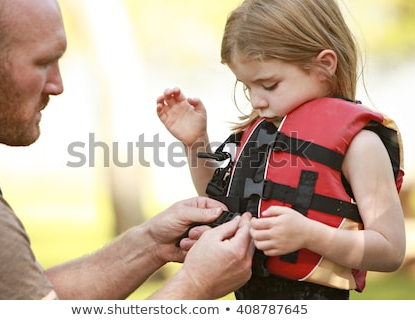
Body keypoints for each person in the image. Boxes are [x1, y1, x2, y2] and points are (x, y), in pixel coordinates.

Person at [0, 0, 255, 300]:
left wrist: (151, 243)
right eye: (41, 63)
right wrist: (196, 283)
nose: (58, 85)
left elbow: (30, 294)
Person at [157, 0, 406, 299]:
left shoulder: (361, 145)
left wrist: (310, 235)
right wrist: (195, 141)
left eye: (269, 84)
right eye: (248, 87)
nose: (256, 101)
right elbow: (219, 203)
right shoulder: (261, 135)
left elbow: (390, 250)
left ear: (324, 65)